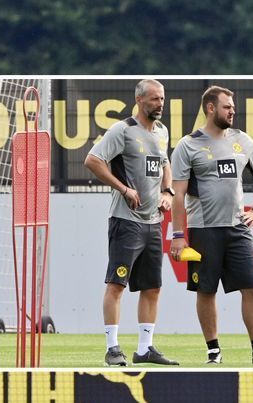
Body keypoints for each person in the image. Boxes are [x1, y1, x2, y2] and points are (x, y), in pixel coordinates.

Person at [168, 85, 253, 365]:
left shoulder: (241, 139)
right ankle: (213, 350)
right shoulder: (189, 144)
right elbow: (178, 194)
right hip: (204, 230)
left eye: (232, 106)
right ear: (210, 108)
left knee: (252, 287)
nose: (232, 111)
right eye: (226, 106)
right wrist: (178, 236)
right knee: (206, 290)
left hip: (237, 228)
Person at [85, 78, 178, 367]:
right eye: (154, 99)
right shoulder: (122, 130)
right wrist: (123, 189)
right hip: (126, 221)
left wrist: (167, 191)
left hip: (153, 222)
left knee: (152, 287)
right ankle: (113, 349)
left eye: (162, 99)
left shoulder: (162, 131)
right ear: (139, 100)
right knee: (117, 284)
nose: (159, 104)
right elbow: (92, 160)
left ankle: (144, 349)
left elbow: (164, 164)